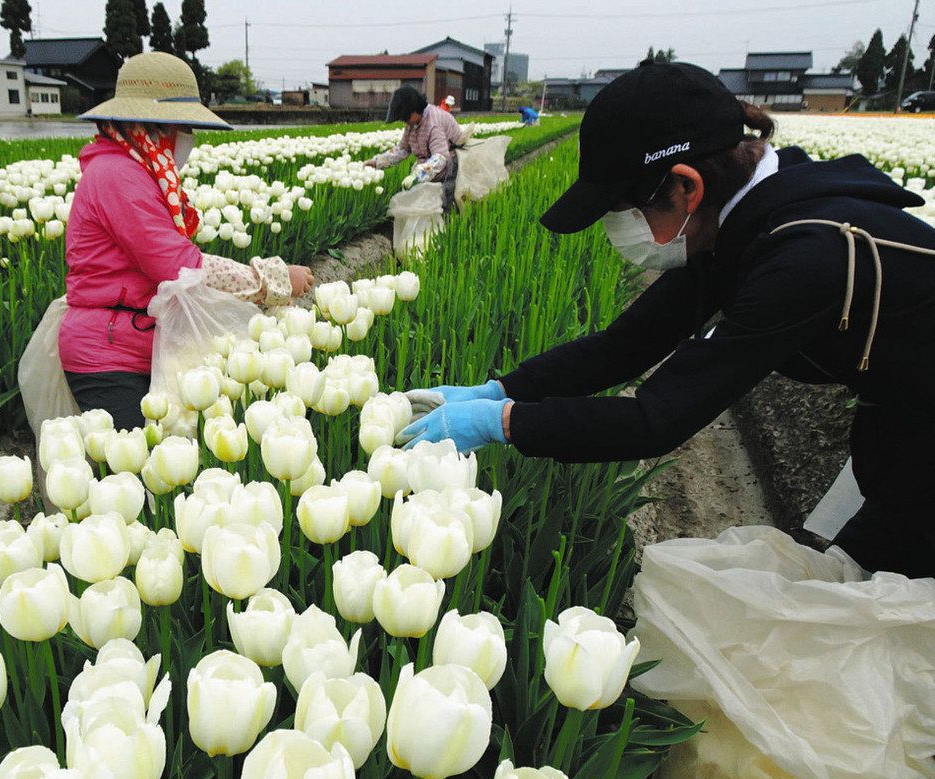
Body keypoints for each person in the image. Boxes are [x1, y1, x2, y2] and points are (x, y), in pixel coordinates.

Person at [399, 61, 935, 579]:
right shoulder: (743, 221)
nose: (620, 232)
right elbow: (624, 347)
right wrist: (497, 389)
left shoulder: (801, 256)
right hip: (902, 413)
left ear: (686, 187)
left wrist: (502, 423)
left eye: (624, 212)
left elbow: (657, 418)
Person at [60, 52, 314, 430]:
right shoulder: (117, 176)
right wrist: (270, 280)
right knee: (130, 475)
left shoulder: (131, 169)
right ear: (154, 126)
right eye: (182, 126)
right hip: (110, 354)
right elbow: (179, 266)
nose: (187, 138)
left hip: (134, 340)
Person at [366, 85, 465, 210]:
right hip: (429, 167)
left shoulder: (433, 123)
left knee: (444, 203)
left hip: (451, 167)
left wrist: (418, 174)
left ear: (414, 110)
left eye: (406, 117)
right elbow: (403, 149)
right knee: (423, 203)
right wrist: (376, 161)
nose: (405, 122)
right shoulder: (412, 123)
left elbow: (441, 158)